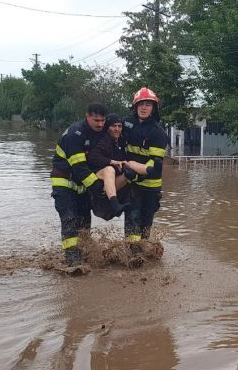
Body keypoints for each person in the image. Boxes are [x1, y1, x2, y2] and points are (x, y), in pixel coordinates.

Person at [50, 103, 108, 266]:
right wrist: (97, 186)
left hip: (81, 186)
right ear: (87, 116)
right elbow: (79, 167)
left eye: (103, 121)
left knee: (84, 222)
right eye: (96, 120)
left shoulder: (99, 133)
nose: (100, 124)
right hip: (64, 183)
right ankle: (72, 261)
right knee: (70, 219)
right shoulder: (75, 134)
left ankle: (85, 254)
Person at [122, 87, 169, 245]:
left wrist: (138, 172)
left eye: (148, 104)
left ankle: (143, 252)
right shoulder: (125, 124)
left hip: (151, 186)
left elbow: (154, 162)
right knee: (131, 219)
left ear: (153, 108)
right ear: (135, 106)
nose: (144, 107)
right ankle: (133, 256)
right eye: (141, 104)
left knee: (145, 225)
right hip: (132, 184)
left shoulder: (158, 133)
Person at [86, 113, 141, 220]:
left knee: (129, 174)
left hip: (113, 184)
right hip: (98, 179)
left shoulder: (121, 142)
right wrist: (112, 161)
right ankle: (115, 204)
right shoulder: (103, 140)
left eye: (119, 126)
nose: (117, 129)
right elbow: (92, 157)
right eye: (113, 126)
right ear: (107, 127)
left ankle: (123, 203)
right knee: (109, 169)